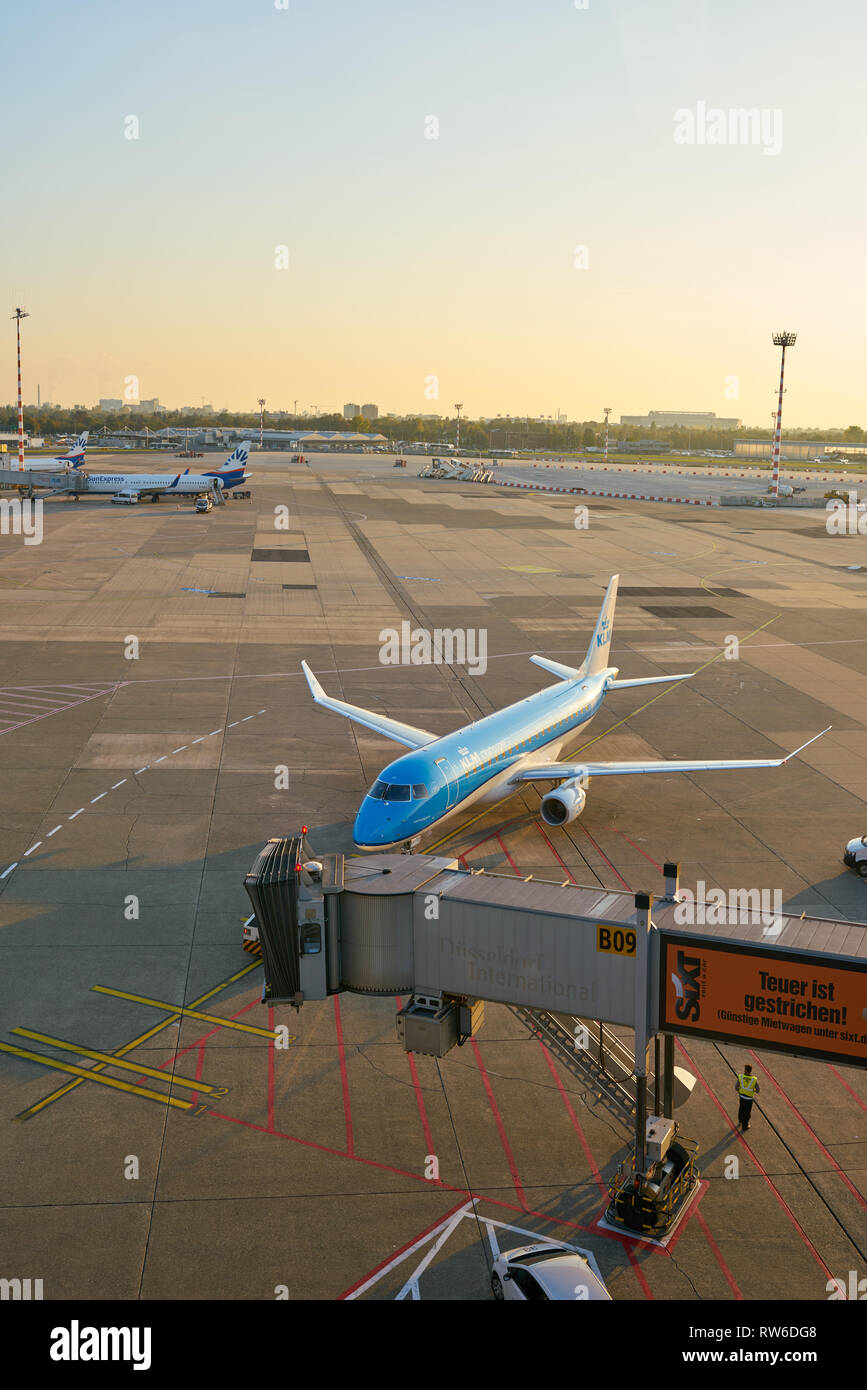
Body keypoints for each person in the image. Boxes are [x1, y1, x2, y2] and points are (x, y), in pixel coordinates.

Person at [735, 1064, 760, 1131]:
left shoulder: (740, 1077)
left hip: (742, 1097)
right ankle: (745, 1126)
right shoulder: (754, 1079)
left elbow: (736, 1087)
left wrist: (740, 1091)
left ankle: (740, 1121)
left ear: (745, 1070)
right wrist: (753, 1090)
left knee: (741, 1109)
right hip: (749, 1099)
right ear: (750, 1071)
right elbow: (758, 1090)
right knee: (747, 1112)